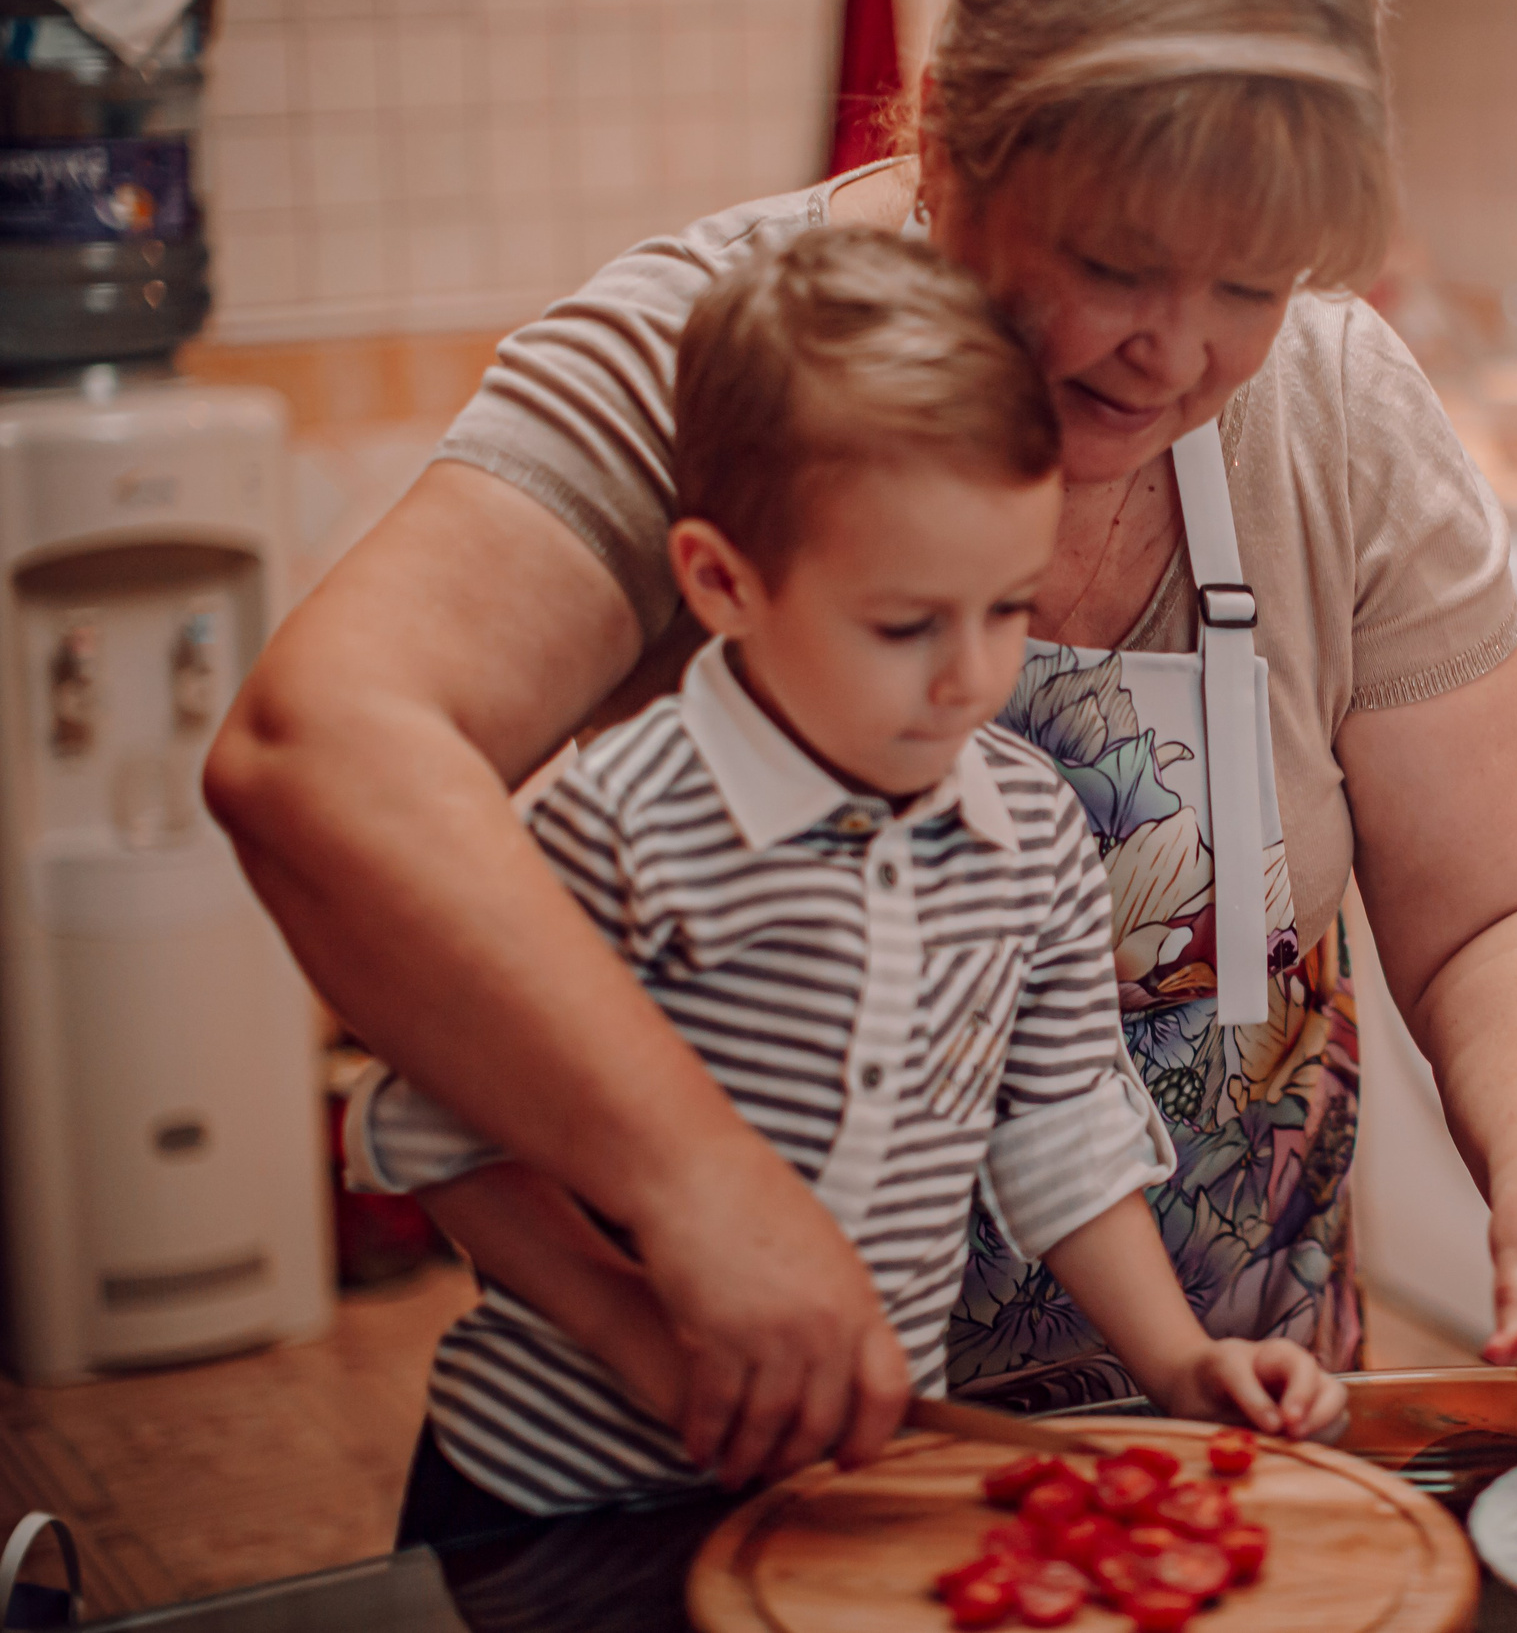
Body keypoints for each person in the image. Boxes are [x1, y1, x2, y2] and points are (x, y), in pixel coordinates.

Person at [205, 0, 1517, 1499]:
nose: (1179, 350)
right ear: (941, 141)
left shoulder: (1337, 406)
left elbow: (1511, 892)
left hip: (1212, 1449)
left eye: (1252, 282)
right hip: (724, 1477)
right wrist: (700, 1190)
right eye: (1115, 263)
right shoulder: (728, 355)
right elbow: (319, 751)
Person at [355, 226, 1346, 1541]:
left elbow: (1059, 1136)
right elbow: (437, 1137)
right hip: (556, 1501)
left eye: (1006, 610)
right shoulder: (620, 829)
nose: (969, 680)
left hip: (841, 1501)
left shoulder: (1032, 835)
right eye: (904, 625)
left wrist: (1179, 1366)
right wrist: (640, 1331)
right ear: (724, 581)